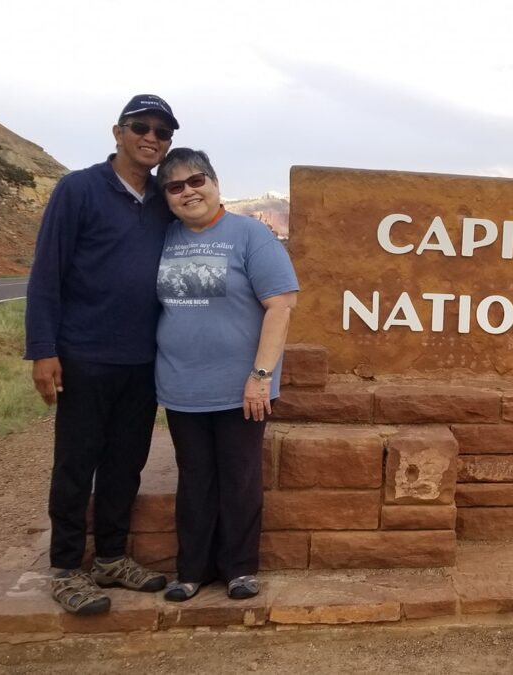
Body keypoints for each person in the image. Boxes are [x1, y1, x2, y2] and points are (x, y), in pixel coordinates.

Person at [25, 95, 179, 614]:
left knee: (125, 464)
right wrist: (43, 350)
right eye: (142, 126)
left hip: (143, 360)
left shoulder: (164, 198)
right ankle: (67, 568)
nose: (152, 137)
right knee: (76, 463)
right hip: (84, 353)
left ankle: (111, 558)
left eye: (163, 130)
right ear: (118, 132)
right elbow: (47, 273)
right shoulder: (79, 189)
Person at [153, 148, 298, 601]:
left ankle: (239, 568)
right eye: (175, 187)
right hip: (182, 386)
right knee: (194, 478)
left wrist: (260, 375)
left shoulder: (250, 234)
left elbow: (281, 305)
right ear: (167, 198)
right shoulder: (163, 238)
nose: (188, 192)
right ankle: (191, 570)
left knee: (239, 478)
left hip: (243, 388)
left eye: (196, 181)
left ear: (215, 183)